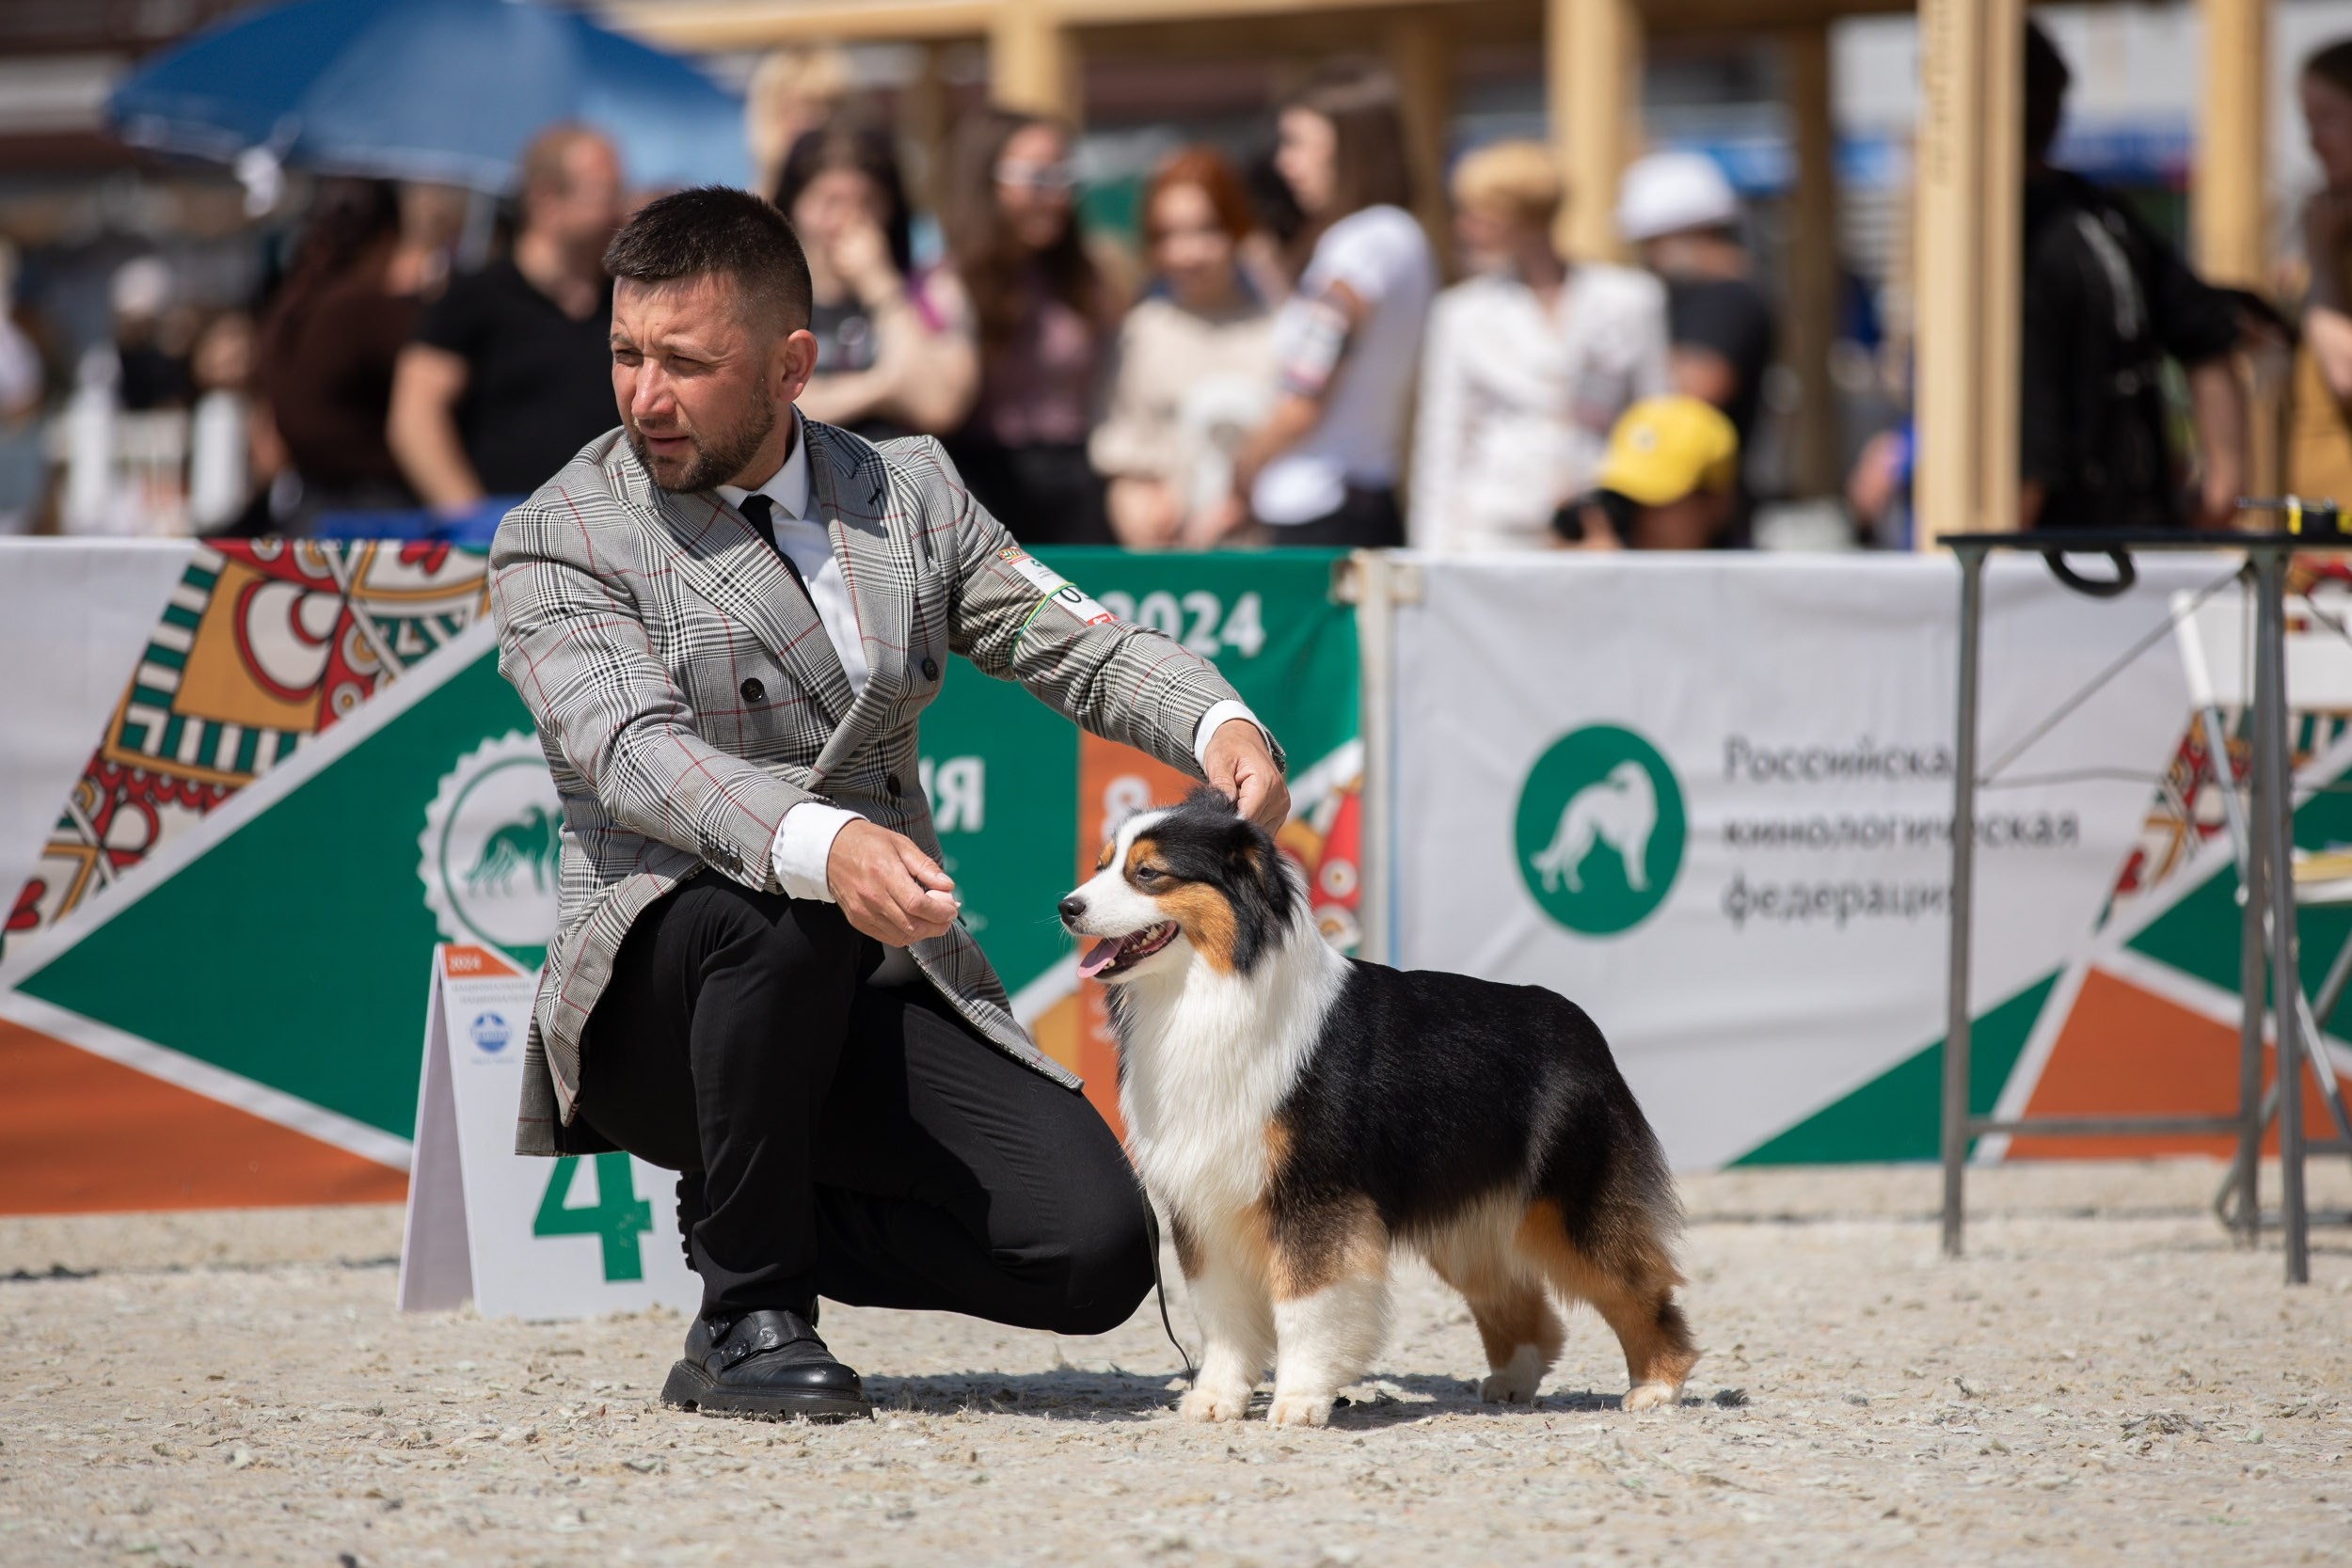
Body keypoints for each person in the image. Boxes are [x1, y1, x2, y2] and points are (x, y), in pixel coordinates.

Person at [487, 187, 1290, 1420]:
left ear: (794, 364)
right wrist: (827, 840)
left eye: (686, 363)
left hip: (856, 985)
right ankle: (748, 1316)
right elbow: (634, 751)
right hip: (659, 997)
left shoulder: (907, 488)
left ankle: (752, 1205)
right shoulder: (562, 533)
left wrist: (1217, 720)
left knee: (1092, 1249)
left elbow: (1073, 641)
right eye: (625, 353)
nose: (644, 395)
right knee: (784, 903)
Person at [2018, 21, 2244, 531]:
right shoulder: (2105, 215)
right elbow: (2209, 333)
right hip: (2133, 527)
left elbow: (2034, 432)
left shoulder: (2011, 233)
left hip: (2053, 548)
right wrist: (2223, 483)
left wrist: (1993, 559)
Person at [1412, 140, 1671, 553]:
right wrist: (1433, 556)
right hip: (1495, 532)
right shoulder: (1461, 313)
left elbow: (1656, 420)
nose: (1465, 227)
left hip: (1599, 530)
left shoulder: (1630, 299)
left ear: (1525, 216)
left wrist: (1650, 530)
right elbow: (1443, 441)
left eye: (1480, 214)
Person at [1222, 66, 1436, 549]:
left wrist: (1242, 468)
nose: (1285, 163)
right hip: (1356, 498)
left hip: (1320, 509)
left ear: (1347, 144)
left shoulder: (1358, 243)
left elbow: (1304, 396)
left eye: (1297, 142)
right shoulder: (1398, 236)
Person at [389, 124, 625, 514]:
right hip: (505, 538)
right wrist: (473, 521)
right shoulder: (475, 295)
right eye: (605, 192)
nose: (619, 208)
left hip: (609, 536)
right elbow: (415, 417)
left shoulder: (624, 299)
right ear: (546, 199)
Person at [942, 107, 1120, 545]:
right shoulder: (948, 282)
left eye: (1065, 178)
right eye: (1038, 179)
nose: (1056, 195)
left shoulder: (1087, 276)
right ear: (987, 181)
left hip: (1078, 480)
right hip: (984, 486)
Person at [1089, 147, 1276, 549]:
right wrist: (1137, 505)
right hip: (1174, 568)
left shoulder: (1278, 330)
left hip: (1270, 564)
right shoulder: (1143, 332)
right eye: (1169, 235)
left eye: (1206, 230)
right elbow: (1123, 455)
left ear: (1237, 229)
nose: (1188, 253)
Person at [772, 123, 976, 444]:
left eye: (868, 202)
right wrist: (881, 387)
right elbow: (771, 408)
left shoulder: (932, 290)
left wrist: (881, 288)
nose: (849, 219)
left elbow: (938, 405)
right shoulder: (766, 297)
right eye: (829, 202)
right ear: (794, 207)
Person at [256, 178, 442, 521]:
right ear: (389, 237)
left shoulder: (296, 302)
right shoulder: (361, 309)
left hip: (308, 502)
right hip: (370, 510)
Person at [1615, 150, 1772, 531]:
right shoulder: (1693, 297)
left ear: (1691, 232)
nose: (1649, 257)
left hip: (1696, 509)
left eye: (1652, 242)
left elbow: (1696, 389)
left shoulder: (1725, 298)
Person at [1550, 394, 1739, 551]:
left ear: (1716, 504)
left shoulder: (1751, 589)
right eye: (1623, 500)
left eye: (1655, 499)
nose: (1637, 520)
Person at [2291, 39, 2352, 508]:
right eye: (2308, 124)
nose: (2313, 142)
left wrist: (2322, 256)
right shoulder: (2334, 219)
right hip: (2321, 535)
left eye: (2327, 120)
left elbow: (2346, 373)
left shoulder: (2328, 234)